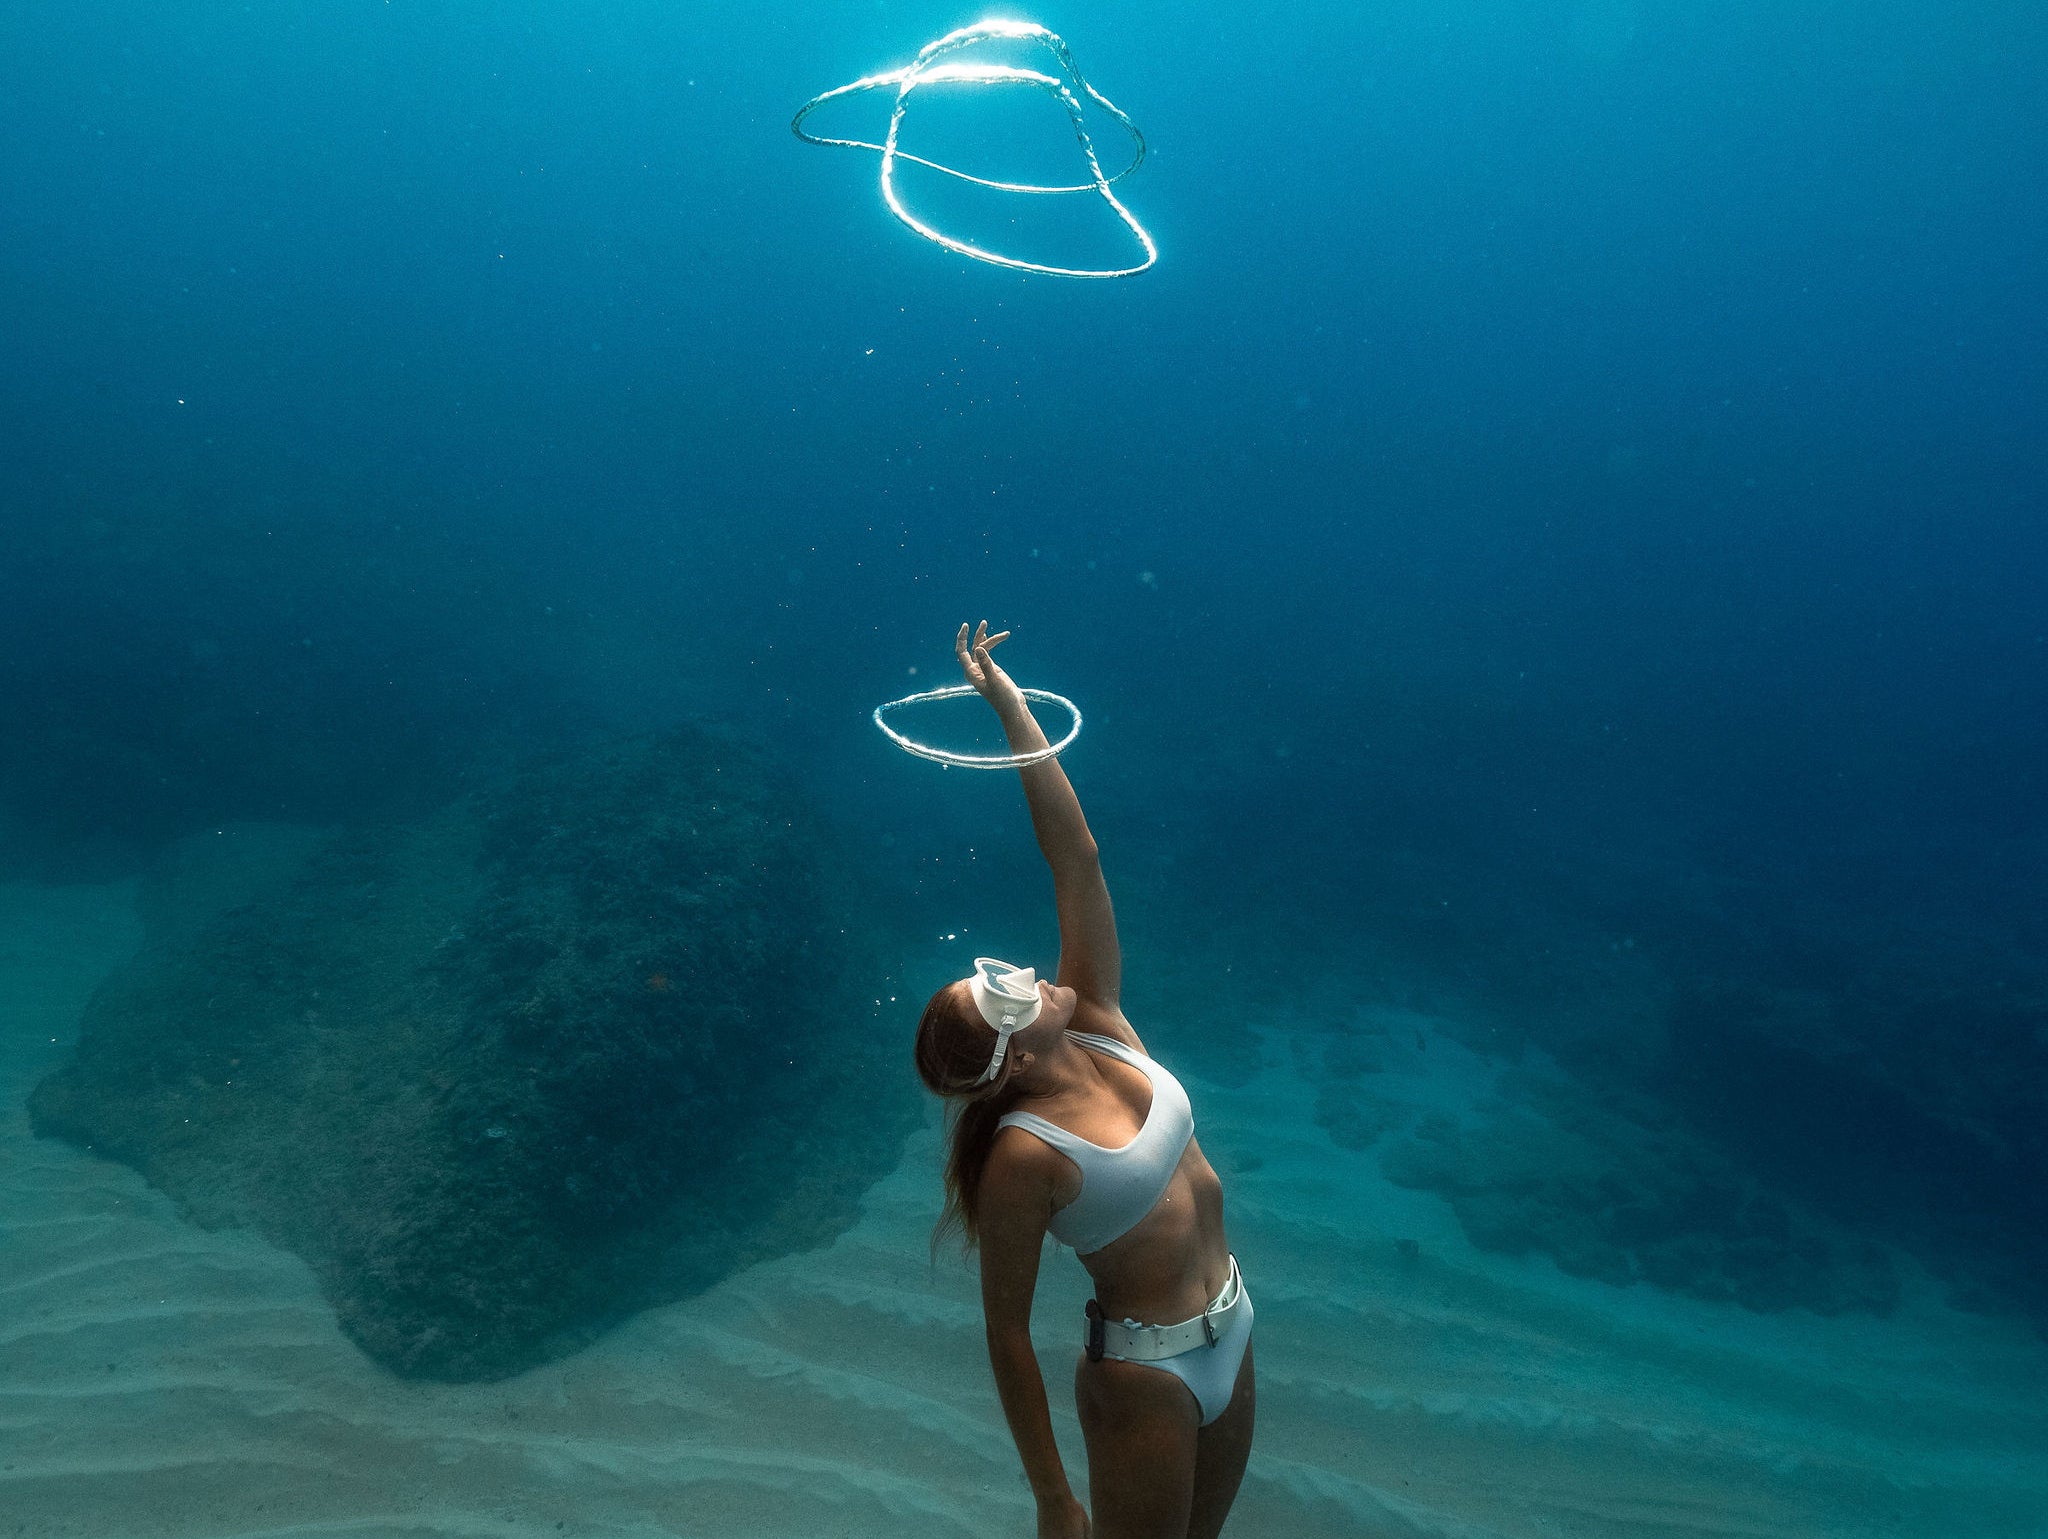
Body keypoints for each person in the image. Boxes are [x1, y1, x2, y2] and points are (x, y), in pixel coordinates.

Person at [914, 622, 1255, 1539]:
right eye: (1003, 993)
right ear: (1015, 1058)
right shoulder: (1024, 1158)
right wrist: (1052, 1498)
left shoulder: (1097, 1019)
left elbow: (1078, 858)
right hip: (1147, 1377)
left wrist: (1007, 703)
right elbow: (1008, 1336)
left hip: (1233, 1325)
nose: (1025, 972)